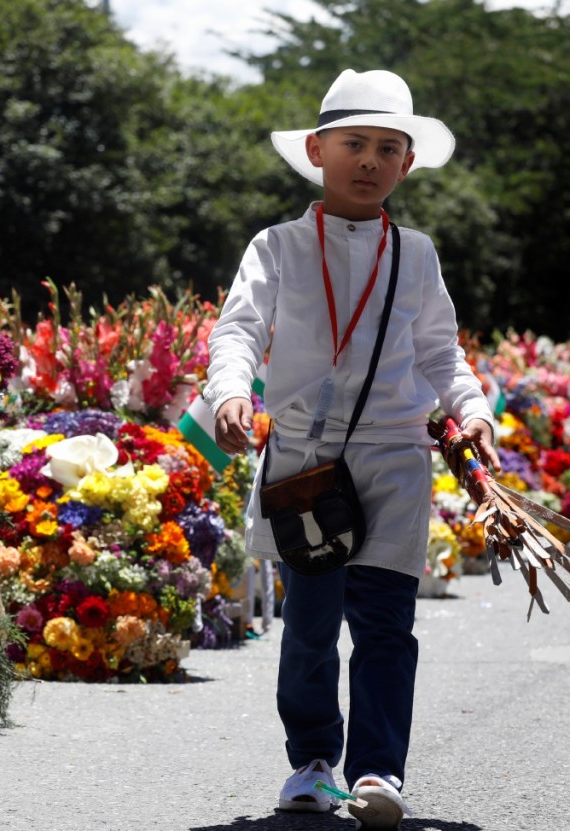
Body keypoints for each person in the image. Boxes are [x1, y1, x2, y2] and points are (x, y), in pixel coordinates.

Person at [203, 69, 500, 830]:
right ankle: (310, 762)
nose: (369, 160)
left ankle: (376, 769)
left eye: (387, 148)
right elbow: (237, 329)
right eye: (354, 144)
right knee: (308, 623)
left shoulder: (419, 254)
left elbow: (442, 352)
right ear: (317, 149)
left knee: (384, 624)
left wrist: (471, 412)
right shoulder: (276, 247)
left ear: (406, 164)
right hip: (304, 461)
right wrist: (231, 388)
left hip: (395, 456)